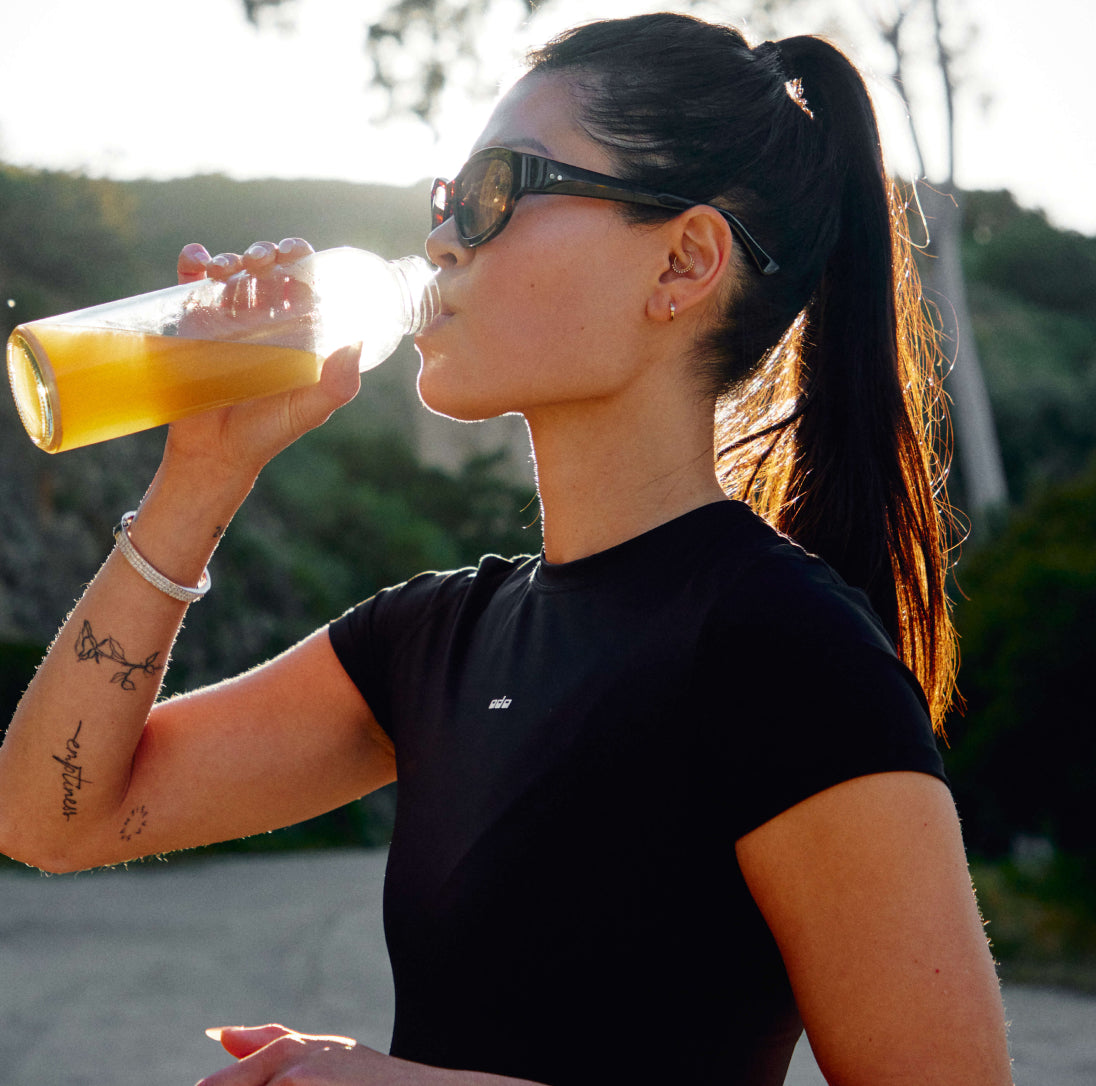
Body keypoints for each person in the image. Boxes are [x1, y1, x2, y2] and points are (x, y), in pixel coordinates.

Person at [0, 12, 1013, 1086]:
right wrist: (201, 473)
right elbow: (53, 818)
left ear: (681, 262)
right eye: (447, 203)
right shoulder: (434, 636)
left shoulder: (787, 650)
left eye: (494, 194)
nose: (442, 240)